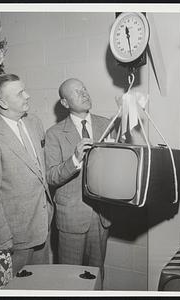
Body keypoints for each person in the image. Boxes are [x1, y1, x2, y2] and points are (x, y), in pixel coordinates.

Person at [0, 74, 54, 276]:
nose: (27, 96)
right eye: (20, 93)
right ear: (3, 103)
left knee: (43, 284)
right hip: (15, 238)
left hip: (43, 226)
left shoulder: (34, 123)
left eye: (24, 90)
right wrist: (3, 240)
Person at [44, 78, 119, 280]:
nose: (84, 93)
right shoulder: (54, 134)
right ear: (65, 103)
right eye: (77, 92)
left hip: (101, 216)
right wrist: (75, 159)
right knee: (69, 278)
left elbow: (118, 170)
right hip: (72, 218)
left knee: (96, 275)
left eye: (84, 88)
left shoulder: (108, 125)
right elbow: (51, 176)